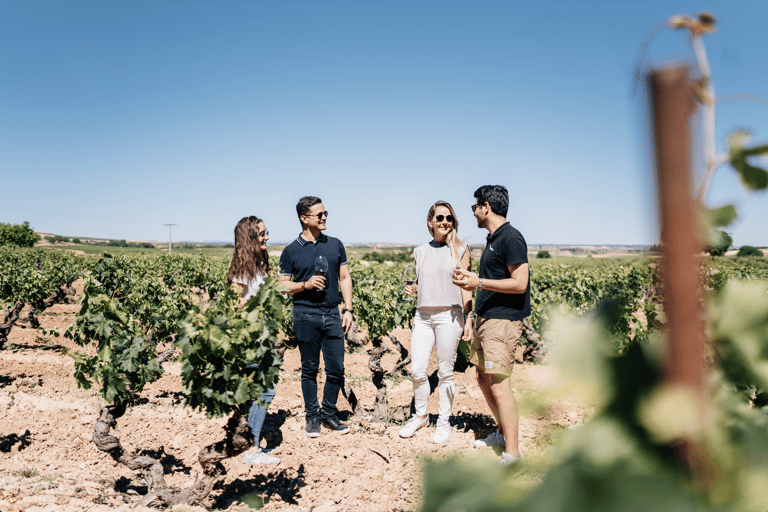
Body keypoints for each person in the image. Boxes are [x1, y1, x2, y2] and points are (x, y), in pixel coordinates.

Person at [452, 185, 530, 466]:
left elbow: (520, 284)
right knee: (483, 379)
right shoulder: (493, 238)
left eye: (475, 206)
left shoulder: (511, 238)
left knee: (499, 385)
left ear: (486, 207)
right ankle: (501, 433)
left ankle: (513, 454)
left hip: (502, 322)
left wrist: (479, 282)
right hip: (486, 320)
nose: (473, 212)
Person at [279, 196, 354, 437]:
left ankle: (329, 414)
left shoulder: (335, 244)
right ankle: (312, 416)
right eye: (319, 214)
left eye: (325, 214)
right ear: (304, 218)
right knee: (309, 369)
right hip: (305, 314)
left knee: (336, 369)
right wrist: (305, 285)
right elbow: (282, 286)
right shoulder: (290, 251)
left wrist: (349, 309)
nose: (324, 218)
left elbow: (345, 278)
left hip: (333, 313)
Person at [399, 201, 473, 444]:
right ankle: (421, 416)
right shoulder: (420, 251)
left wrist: (469, 318)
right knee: (417, 370)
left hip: (449, 316)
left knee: (445, 371)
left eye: (449, 218)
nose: (444, 222)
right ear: (430, 222)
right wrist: (413, 288)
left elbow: (466, 288)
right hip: (423, 315)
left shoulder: (461, 250)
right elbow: (424, 285)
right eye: (439, 217)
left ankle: (443, 421)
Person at [226, 216, 280, 465]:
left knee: (259, 391)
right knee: (264, 391)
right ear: (249, 238)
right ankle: (251, 450)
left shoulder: (257, 265)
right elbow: (235, 304)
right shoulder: (242, 267)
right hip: (251, 335)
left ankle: (249, 445)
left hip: (261, 331)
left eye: (266, 233)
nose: (266, 237)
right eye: (261, 234)